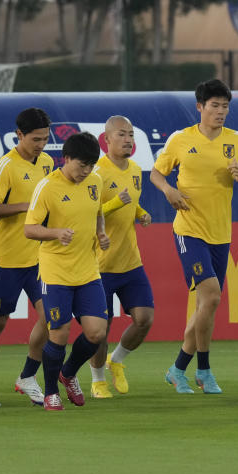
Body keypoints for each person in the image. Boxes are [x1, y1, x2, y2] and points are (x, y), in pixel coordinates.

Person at [152, 79, 238, 395]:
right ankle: (198, 369)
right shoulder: (181, 140)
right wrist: (168, 190)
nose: (221, 111)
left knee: (205, 306)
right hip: (189, 230)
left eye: (225, 106)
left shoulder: (236, 142)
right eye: (214, 105)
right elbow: (156, 173)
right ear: (200, 107)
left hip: (221, 233)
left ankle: (184, 369)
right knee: (210, 297)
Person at [24, 131, 110, 410]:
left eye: (91, 166)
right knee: (58, 333)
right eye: (81, 165)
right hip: (56, 271)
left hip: (87, 269)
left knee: (97, 332)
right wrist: (55, 233)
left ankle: (68, 372)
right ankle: (50, 392)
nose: (86, 171)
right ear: (67, 158)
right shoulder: (47, 186)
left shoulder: (95, 181)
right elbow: (29, 228)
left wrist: (101, 232)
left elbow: (98, 211)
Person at [0, 107, 54, 406]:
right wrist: (25, 206)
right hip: (6, 259)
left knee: (52, 317)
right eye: (35, 139)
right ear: (19, 135)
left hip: (38, 259)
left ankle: (27, 376)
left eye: (45, 139)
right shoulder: (6, 166)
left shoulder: (47, 163)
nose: (41, 145)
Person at [87, 116, 155, 398]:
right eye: (122, 135)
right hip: (101, 265)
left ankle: (117, 360)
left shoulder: (136, 169)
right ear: (107, 140)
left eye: (131, 135)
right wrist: (117, 202)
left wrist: (140, 214)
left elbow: (133, 201)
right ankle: (98, 379)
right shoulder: (96, 173)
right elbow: (89, 213)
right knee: (101, 330)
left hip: (131, 262)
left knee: (145, 319)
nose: (128, 140)